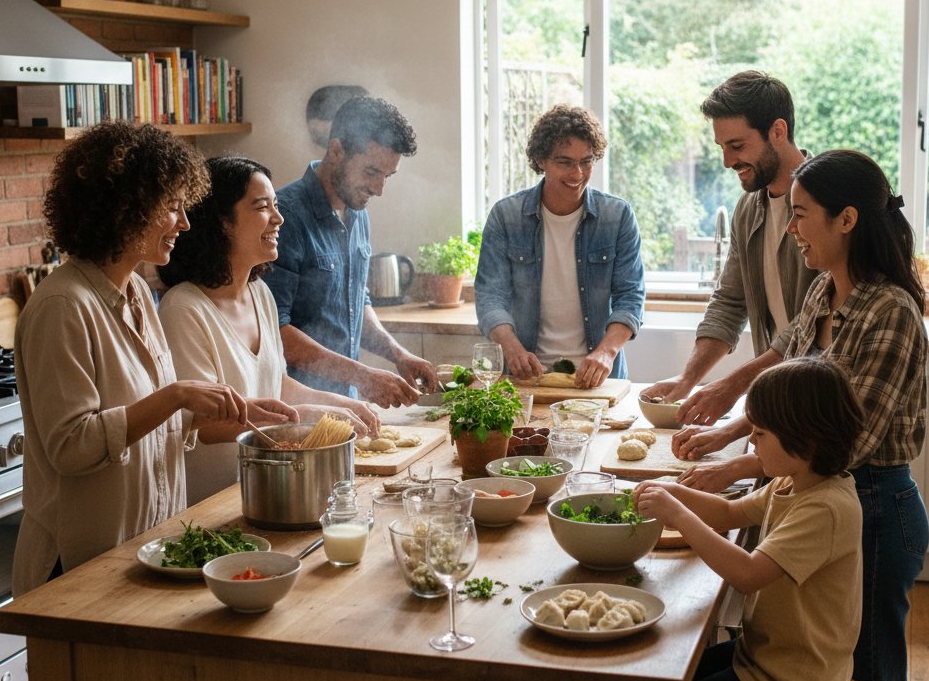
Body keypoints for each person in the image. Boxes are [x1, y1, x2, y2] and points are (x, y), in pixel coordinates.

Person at [681, 149, 929, 681]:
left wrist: (733, 464)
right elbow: (787, 382)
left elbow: (841, 440)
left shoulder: (890, 312)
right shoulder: (824, 287)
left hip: (874, 506)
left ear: (846, 219)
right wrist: (730, 431)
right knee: (832, 678)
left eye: (802, 216)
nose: (793, 229)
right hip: (823, 492)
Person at [11, 122, 295, 596]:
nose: (184, 223)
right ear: (126, 208)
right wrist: (177, 396)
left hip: (141, 549)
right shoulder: (64, 306)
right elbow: (72, 447)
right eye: (172, 206)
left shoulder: (139, 292)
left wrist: (225, 413)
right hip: (77, 567)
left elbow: (153, 422)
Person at [634, 357, 864, 681]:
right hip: (768, 659)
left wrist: (677, 514)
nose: (751, 442)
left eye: (760, 434)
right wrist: (674, 491)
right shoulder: (791, 481)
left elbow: (747, 572)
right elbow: (730, 514)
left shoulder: (827, 508)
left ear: (806, 439)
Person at [158, 156, 382, 505]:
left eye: (276, 206)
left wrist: (344, 405)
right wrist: (301, 419)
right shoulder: (183, 308)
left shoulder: (259, 292)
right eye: (263, 207)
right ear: (222, 222)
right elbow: (203, 423)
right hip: (210, 504)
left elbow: (275, 382)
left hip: (262, 490)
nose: (278, 219)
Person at [641, 71, 816, 482]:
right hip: (779, 409)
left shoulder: (823, 204)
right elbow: (729, 302)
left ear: (778, 131)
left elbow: (812, 329)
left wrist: (732, 392)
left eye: (737, 146)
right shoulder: (748, 209)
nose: (726, 161)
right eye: (721, 147)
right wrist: (689, 379)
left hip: (817, 417)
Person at [264, 95, 437, 405]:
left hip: (347, 404)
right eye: (371, 172)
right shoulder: (284, 216)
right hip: (297, 409)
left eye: (387, 176)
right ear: (336, 150)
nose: (379, 189)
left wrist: (398, 354)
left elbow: (356, 300)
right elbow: (274, 330)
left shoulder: (357, 210)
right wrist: (363, 375)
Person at [474, 104, 644, 388]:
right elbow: (490, 296)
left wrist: (606, 352)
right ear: (542, 160)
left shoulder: (618, 216)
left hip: (597, 378)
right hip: (527, 377)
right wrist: (512, 349)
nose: (577, 174)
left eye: (586, 161)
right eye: (565, 162)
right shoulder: (507, 216)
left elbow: (631, 296)